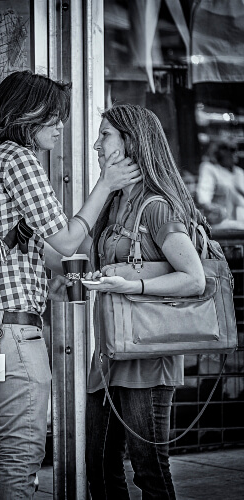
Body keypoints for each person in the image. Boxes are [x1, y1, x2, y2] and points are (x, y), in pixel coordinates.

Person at [0, 70, 141, 500]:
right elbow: (65, 237)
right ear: (27, 114)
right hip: (11, 334)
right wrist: (106, 185)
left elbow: (42, 251)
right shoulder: (17, 159)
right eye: (53, 117)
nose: (61, 126)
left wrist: (65, 275)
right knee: (21, 457)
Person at [81, 104, 207, 499]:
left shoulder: (156, 206)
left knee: (149, 472)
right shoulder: (116, 202)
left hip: (148, 359)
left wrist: (130, 287)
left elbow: (194, 279)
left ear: (131, 144)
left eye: (105, 136)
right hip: (110, 355)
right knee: (99, 470)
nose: (96, 144)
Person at [196, 140, 244, 227]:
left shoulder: (239, 172)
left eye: (235, 150)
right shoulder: (209, 168)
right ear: (219, 153)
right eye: (231, 150)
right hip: (222, 223)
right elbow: (203, 198)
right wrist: (215, 209)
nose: (235, 154)